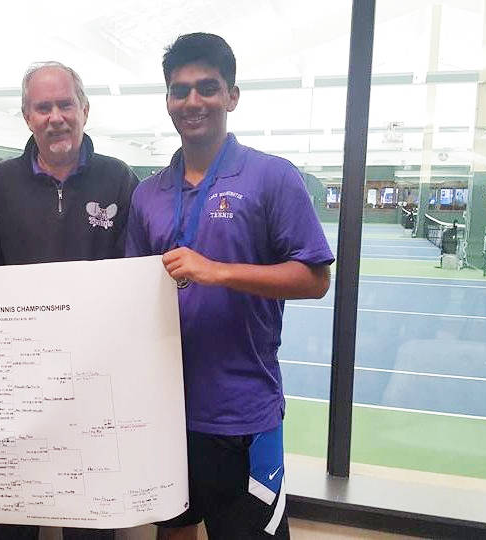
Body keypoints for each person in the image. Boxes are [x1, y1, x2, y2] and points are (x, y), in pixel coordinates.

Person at [125, 33, 334, 540]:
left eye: (207, 88)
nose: (192, 101)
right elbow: (131, 294)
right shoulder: (148, 193)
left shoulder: (272, 177)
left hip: (243, 414)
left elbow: (315, 278)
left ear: (232, 96)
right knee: (174, 532)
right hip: (168, 411)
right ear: (168, 102)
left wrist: (217, 270)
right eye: (180, 91)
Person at [0, 61, 139, 540]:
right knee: (12, 524)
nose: (56, 117)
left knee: (91, 525)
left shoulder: (119, 180)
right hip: (17, 387)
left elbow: (134, 277)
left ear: (85, 110)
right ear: (27, 117)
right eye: (43, 107)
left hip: (94, 385)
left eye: (65, 104)